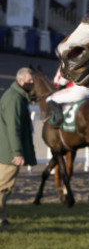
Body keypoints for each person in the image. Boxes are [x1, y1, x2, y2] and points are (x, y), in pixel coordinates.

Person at [0, 68, 36, 226]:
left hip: (8, 150)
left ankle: (2, 218)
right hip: (9, 153)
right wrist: (17, 153)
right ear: (20, 81)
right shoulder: (14, 99)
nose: (32, 83)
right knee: (3, 186)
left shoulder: (17, 96)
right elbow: (13, 128)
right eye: (29, 80)